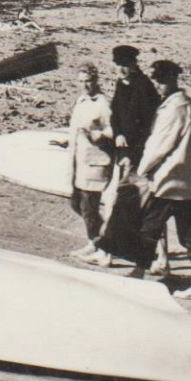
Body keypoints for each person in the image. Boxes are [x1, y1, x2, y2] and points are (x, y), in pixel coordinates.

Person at [128, 59, 191, 301]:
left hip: (169, 179)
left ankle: (139, 272)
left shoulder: (173, 109)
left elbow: (159, 146)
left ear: (174, 79)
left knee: (149, 227)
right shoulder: (189, 105)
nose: (159, 85)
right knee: (189, 231)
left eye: (162, 80)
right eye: (157, 80)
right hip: (187, 180)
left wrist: (141, 170)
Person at [67, 64, 114, 262]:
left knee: (88, 205)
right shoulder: (81, 101)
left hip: (95, 161)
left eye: (88, 81)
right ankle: (99, 241)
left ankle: (103, 247)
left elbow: (113, 131)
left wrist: (97, 135)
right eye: (81, 81)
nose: (85, 85)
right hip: (80, 160)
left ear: (96, 80)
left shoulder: (102, 103)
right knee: (77, 203)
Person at [108, 44, 160, 168]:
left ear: (133, 64)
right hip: (122, 144)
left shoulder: (143, 86)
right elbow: (114, 113)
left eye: (125, 65)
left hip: (139, 148)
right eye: (118, 65)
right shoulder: (121, 83)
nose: (121, 69)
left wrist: (133, 155)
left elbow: (148, 125)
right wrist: (118, 134)